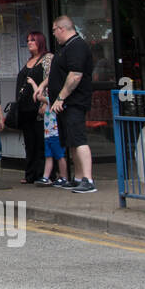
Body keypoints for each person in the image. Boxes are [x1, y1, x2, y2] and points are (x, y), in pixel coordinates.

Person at [47, 15, 96, 192]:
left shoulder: (77, 46)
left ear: (61, 28)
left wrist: (61, 98)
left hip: (74, 102)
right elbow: (57, 73)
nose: (54, 34)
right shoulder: (65, 48)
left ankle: (88, 180)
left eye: (54, 30)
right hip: (65, 104)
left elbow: (75, 75)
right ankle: (78, 178)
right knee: (72, 141)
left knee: (79, 139)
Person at [16, 31, 52, 183]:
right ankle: (30, 173)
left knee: (40, 141)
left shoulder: (47, 58)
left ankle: (43, 173)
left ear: (40, 42)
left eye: (33, 40)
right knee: (29, 141)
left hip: (38, 108)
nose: (29, 42)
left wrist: (45, 102)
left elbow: (50, 79)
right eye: (28, 40)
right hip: (25, 108)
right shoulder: (29, 60)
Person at [34, 96, 70, 186]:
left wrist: (33, 83)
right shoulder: (48, 102)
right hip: (48, 134)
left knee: (60, 156)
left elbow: (38, 96)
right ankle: (46, 177)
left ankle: (64, 177)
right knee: (48, 156)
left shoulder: (53, 99)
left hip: (56, 134)